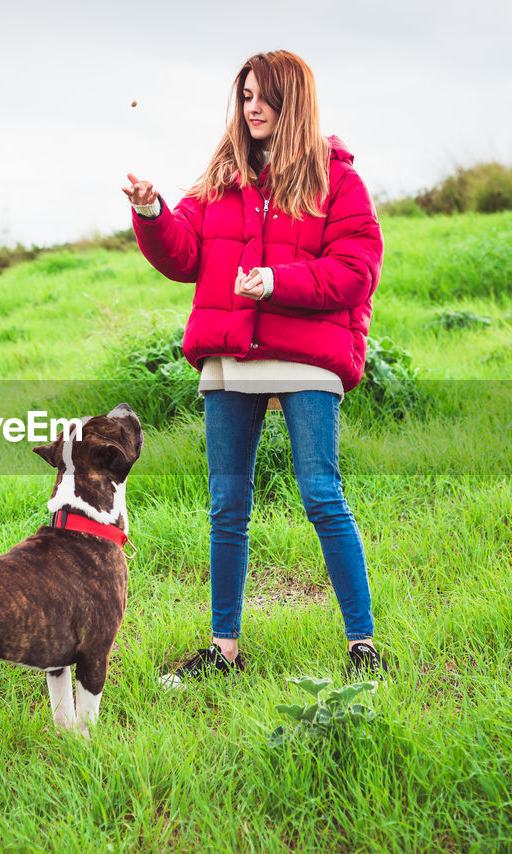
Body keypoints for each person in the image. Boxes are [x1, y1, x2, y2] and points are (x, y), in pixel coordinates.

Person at [121, 50, 385, 685]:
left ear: (293, 101)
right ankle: (224, 649)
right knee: (226, 503)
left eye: (264, 95)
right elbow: (184, 255)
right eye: (244, 96)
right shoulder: (220, 177)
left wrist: (279, 282)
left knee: (322, 495)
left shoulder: (337, 182)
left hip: (308, 356)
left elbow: (356, 271)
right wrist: (154, 213)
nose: (252, 107)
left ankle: (362, 645)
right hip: (230, 355)